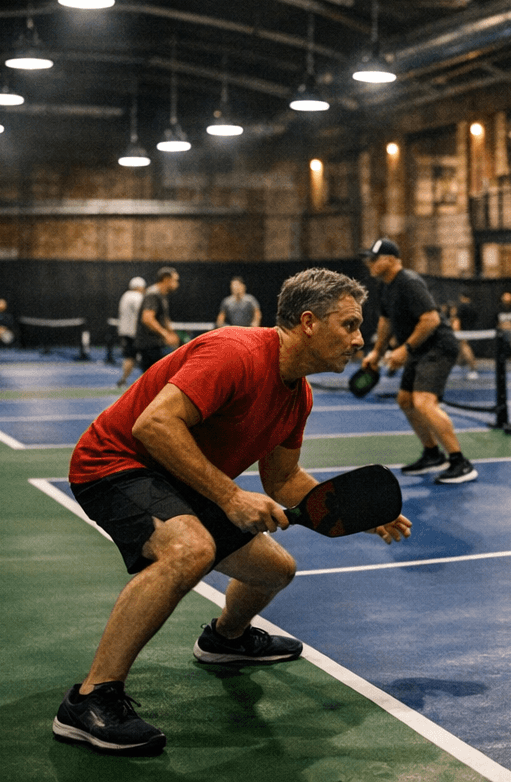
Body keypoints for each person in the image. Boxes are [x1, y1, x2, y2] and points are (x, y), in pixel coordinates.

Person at [53, 268, 412, 756]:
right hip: (115, 464)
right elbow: (153, 425)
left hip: (177, 478)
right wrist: (229, 497)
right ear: (309, 322)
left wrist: (356, 510)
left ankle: (226, 639)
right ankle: (91, 699)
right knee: (190, 549)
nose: (359, 338)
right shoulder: (235, 352)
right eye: (348, 325)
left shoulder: (298, 394)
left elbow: (282, 481)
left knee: (275, 569)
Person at [360, 238, 477, 484]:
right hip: (418, 350)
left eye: (374, 258)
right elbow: (386, 322)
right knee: (405, 400)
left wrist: (405, 349)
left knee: (424, 401)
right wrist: (377, 353)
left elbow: (431, 319)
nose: (368, 262)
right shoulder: (385, 286)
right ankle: (433, 454)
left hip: (438, 347)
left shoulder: (409, 282)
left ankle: (460, 462)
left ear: (390, 260)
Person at [134, 268, 182, 374]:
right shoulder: (153, 294)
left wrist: (172, 334)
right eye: (175, 280)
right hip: (148, 344)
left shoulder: (161, 295)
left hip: (156, 344)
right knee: (152, 379)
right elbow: (147, 319)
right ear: (166, 279)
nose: (177, 284)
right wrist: (165, 334)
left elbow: (164, 318)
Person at [114, 277, 147, 387]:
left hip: (125, 332)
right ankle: (146, 381)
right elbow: (142, 313)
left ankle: (124, 379)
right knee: (144, 356)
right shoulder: (137, 297)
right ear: (139, 287)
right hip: (135, 333)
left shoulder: (125, 295)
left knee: (129, 357)